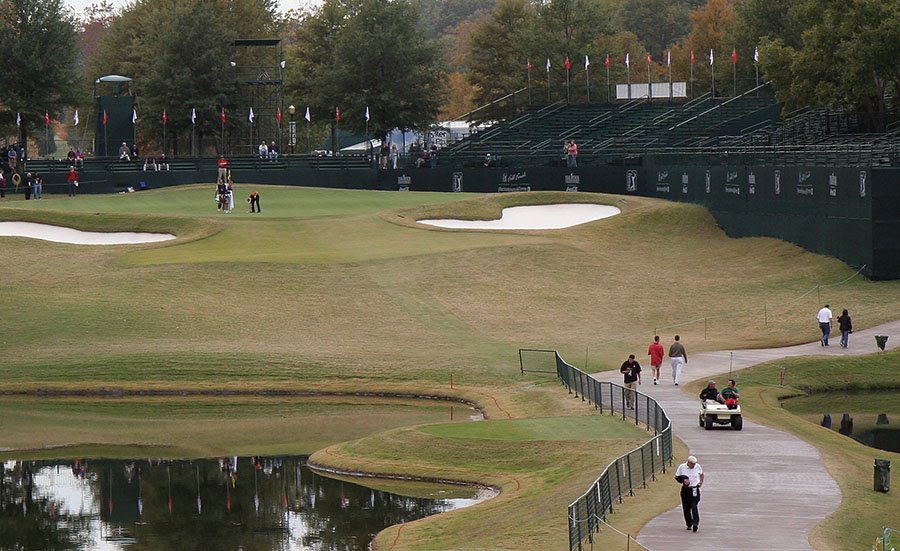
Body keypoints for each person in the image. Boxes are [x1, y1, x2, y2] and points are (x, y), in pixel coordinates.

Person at [675, 455, 704, 532]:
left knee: (694, 506)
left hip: (694, 489)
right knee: (686, 507)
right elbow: (677, 477)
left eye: (694, 464)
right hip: (686, 489)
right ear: (688, 462)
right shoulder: (682, 467)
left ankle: (695, 523)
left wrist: (701, 482)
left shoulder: (698, 466)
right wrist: (683, 480)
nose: (693, 466)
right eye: (692, 464)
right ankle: (689, 523)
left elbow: (701, 474)